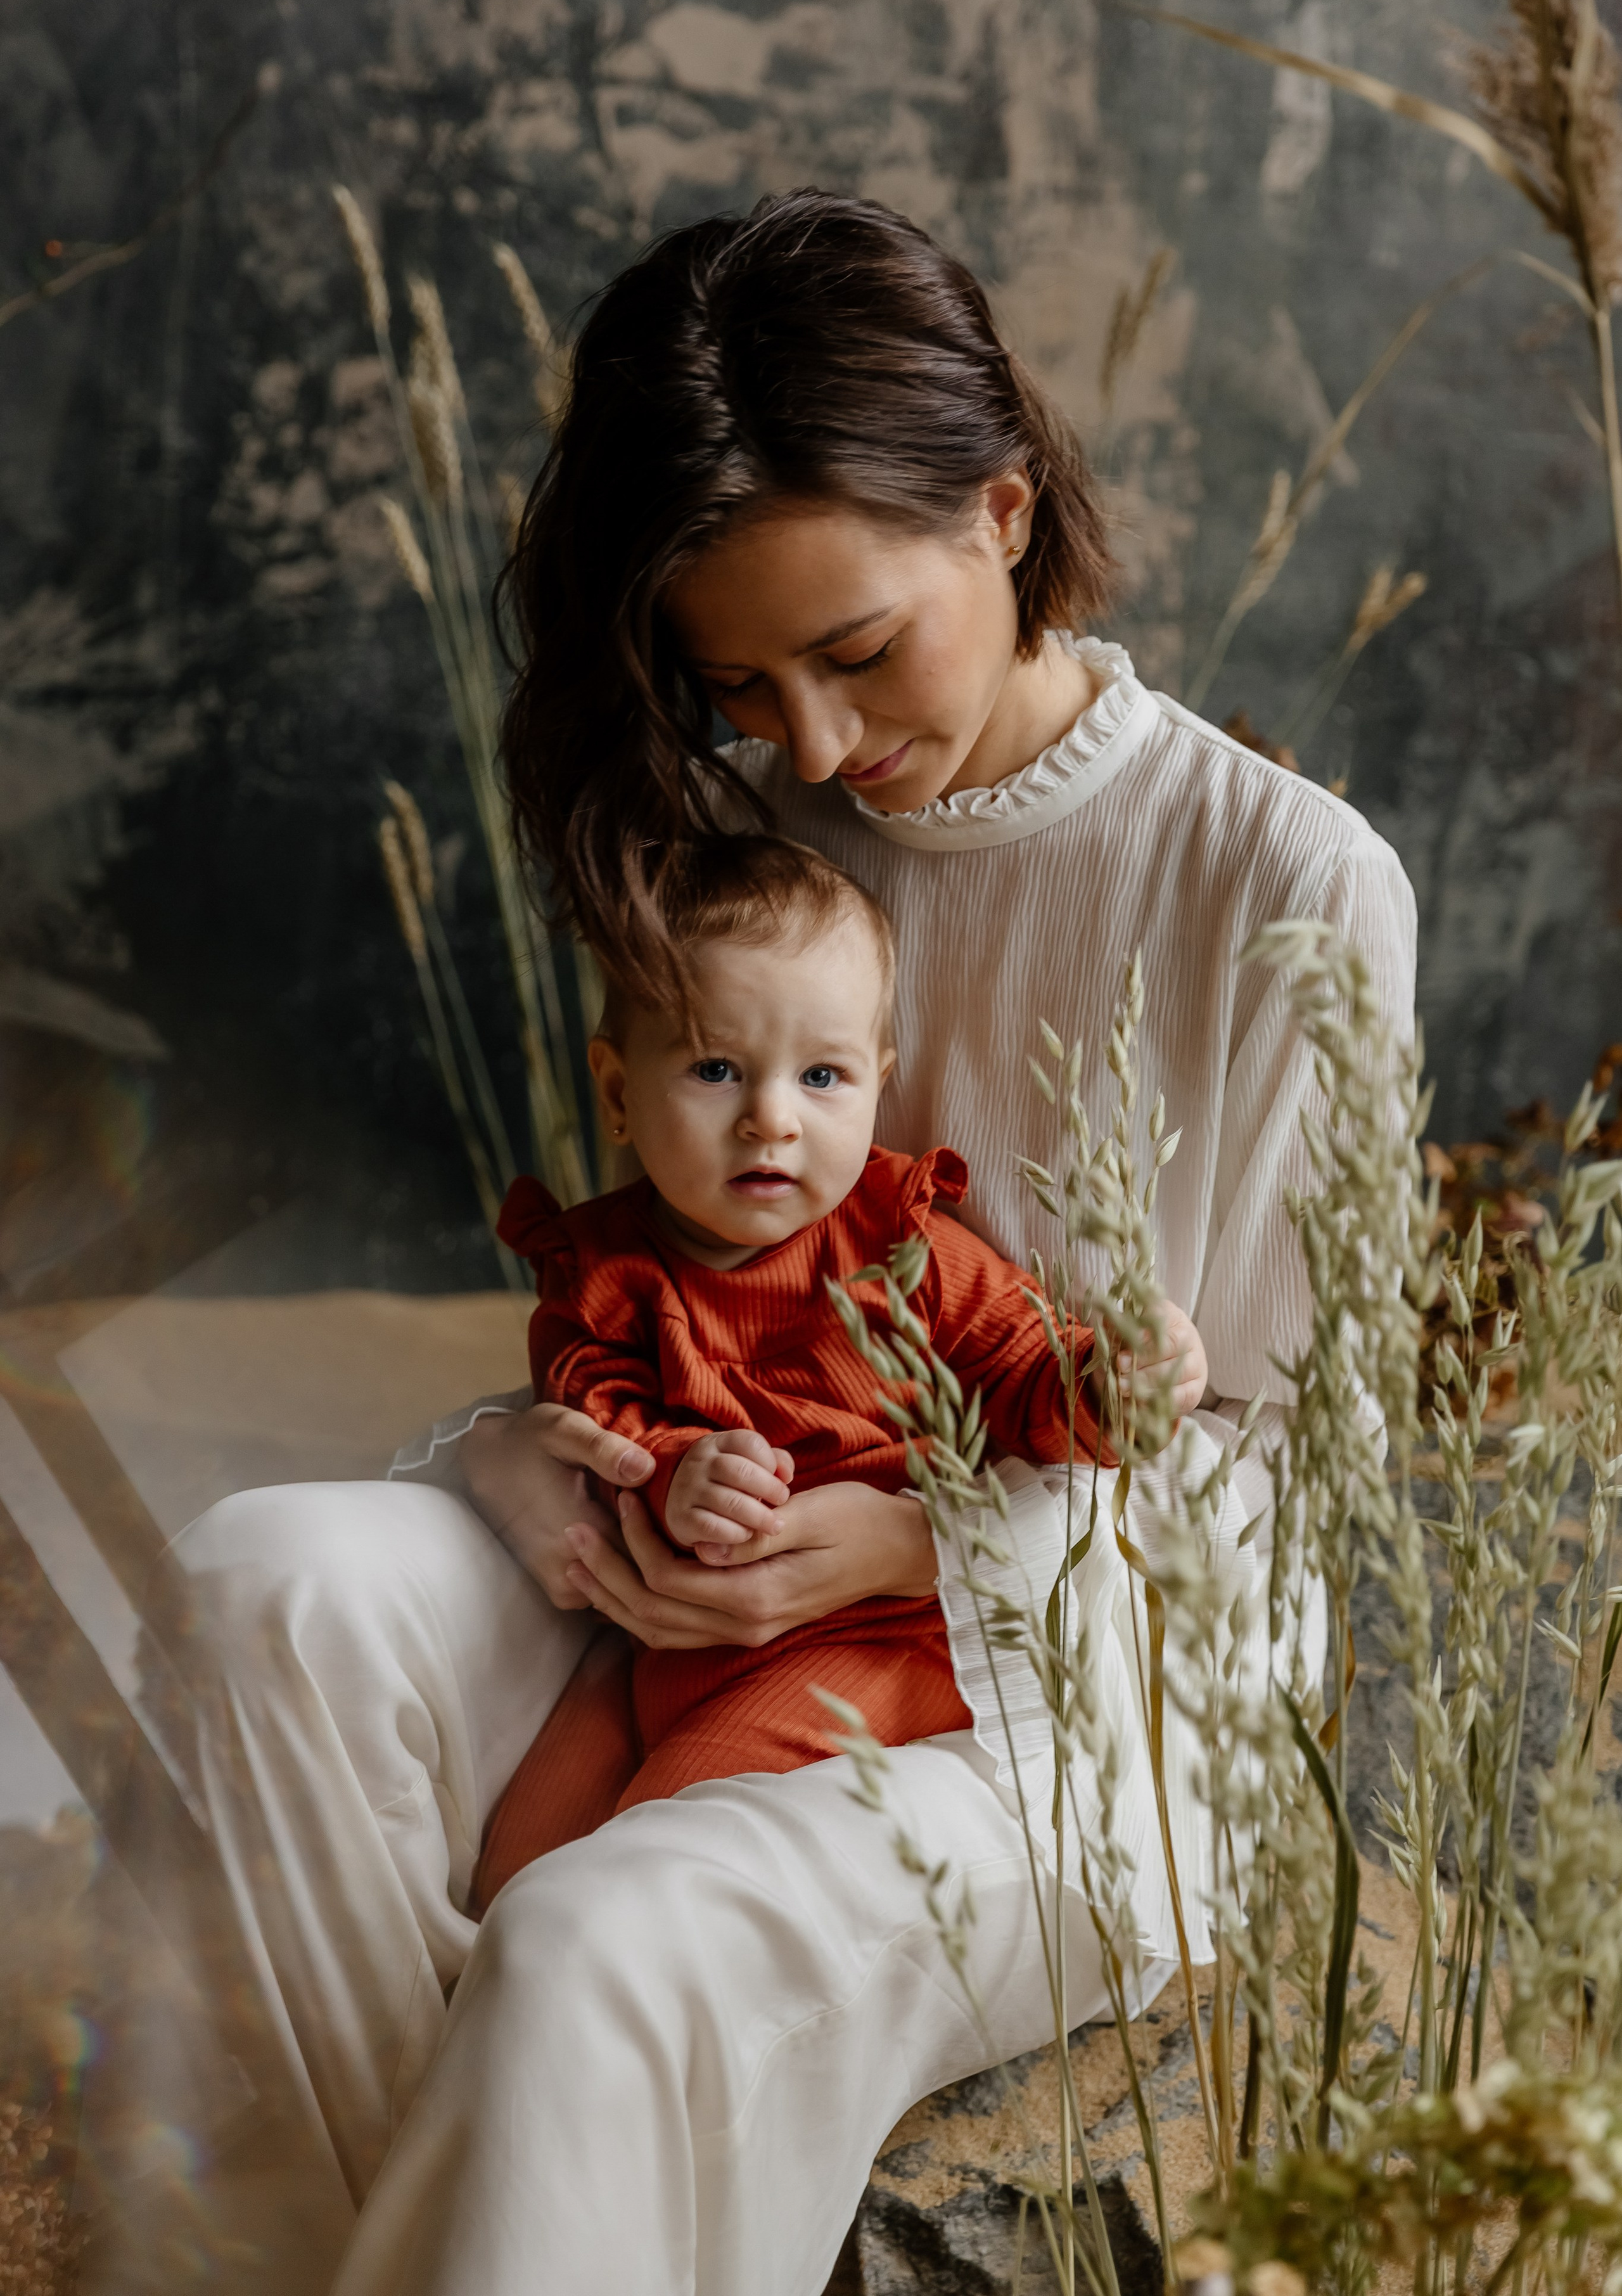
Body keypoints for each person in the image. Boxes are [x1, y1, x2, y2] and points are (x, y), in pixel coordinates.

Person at [166, 189, 1414, 2296]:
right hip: (704, 1577)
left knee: (590, 1934)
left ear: (1005, 511)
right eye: (739, 685)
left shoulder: (1281, 881)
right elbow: (670, 1294)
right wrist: (544, 1466)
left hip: (1063, 1697)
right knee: (262, 1583)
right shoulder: (754, 836)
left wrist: (915, 1545)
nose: (817, 751)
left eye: (854, 653)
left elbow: (1289, 1511)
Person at [471, 830, 1210, 1905]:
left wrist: (1115, 1387)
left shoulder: (905, 1247)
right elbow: (594, 1413)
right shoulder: (604, 1273)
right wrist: (675, 1471)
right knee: (515, 1859)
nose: (772, 1116)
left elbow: (1025, 1375)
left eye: (823, 1075)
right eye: (716, 1068)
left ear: (877, 1084)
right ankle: (490, 2011)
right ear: (619, 1092)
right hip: (666, 1645)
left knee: (641, 1851)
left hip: (879, 1636)